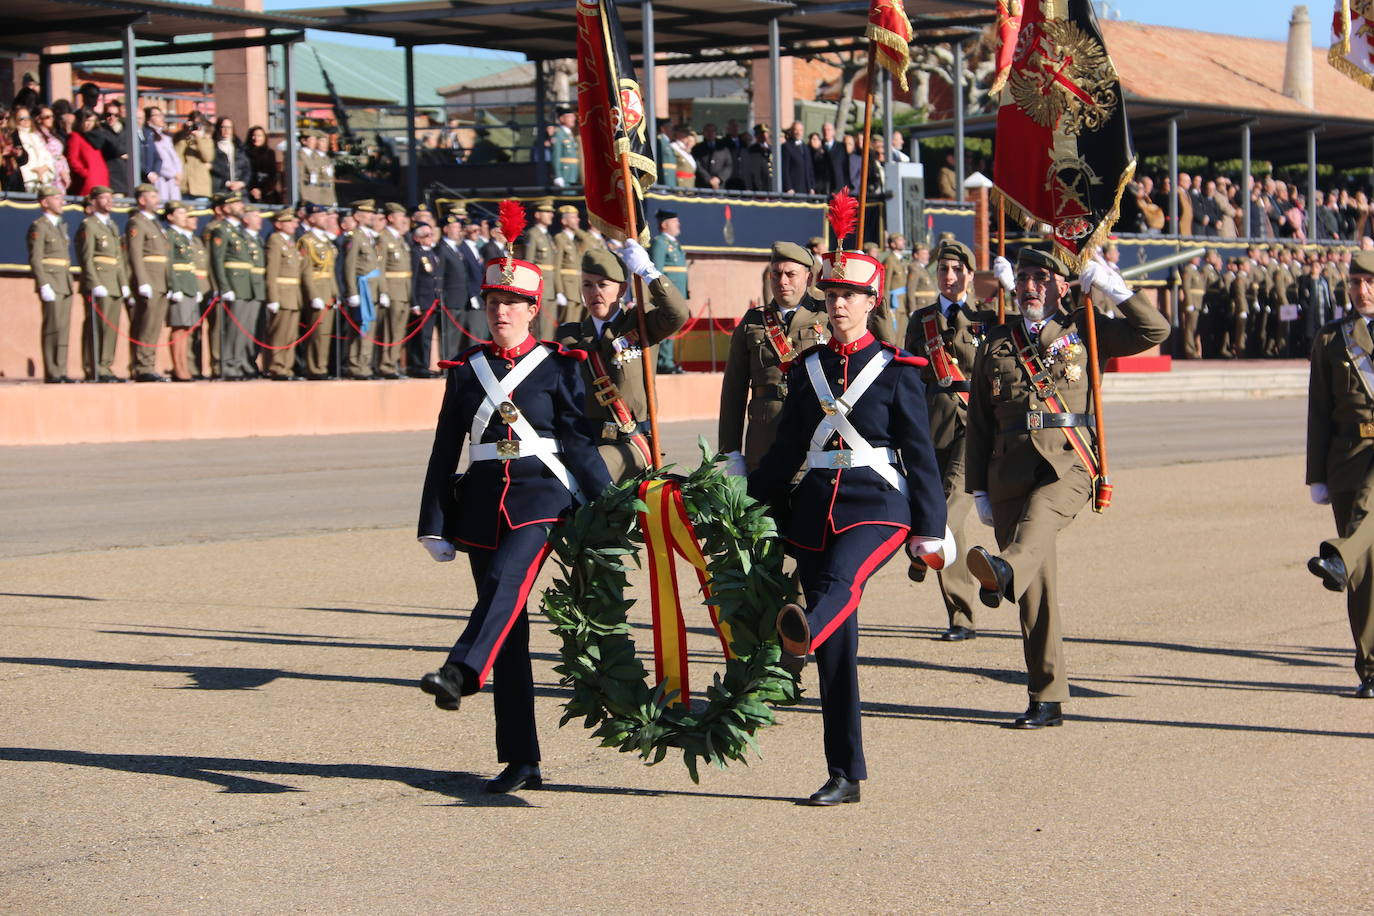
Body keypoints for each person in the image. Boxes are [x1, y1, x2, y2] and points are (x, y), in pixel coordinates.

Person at [746, 238, 946, 806]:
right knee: (838, 647)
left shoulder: (898, 370)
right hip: (815, 507)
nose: (839, 303)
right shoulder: (807, 367)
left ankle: (800, 629)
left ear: (871, 300)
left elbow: (920, 455)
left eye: (851, 295)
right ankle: (844, 771)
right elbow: (784, 455)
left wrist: (930, 528)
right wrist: (738, 494)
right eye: (833, 293)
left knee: (840, 585)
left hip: (878, 507)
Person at [415, 233, 611, 794]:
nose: (500, 312)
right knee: (509, 628)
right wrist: (433, 519)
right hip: (479, 502)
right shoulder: (466, 368)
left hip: (541, 498)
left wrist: (610, 502)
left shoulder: (560, 365)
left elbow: (577, 443)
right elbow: (444, 447)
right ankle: (521, 759)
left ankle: (459, 671)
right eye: (493, 302)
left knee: (506, 582)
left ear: (533, 310)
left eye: (512, 304)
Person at [964, 247, 1169, 728]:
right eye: (1025, 277)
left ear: (1062, 285)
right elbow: (978, 421)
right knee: (1036, 590)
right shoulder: (995, 342)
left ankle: (1002, 571)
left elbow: (1154, 330)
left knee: (1033, 530)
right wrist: (977, 489)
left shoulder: (1085, 329)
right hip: (1007, 468)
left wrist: (1113, 287)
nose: (1031, 285)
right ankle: (1046, 696)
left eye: (1041, 277)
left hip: (1067, 463)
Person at [905, 239, 1004, 641]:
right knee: (947, 524)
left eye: (956, 270)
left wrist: (1005, 287)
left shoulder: (987, 316)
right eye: (942, 270)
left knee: (946, 514)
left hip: (974, 425)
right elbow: (909, 372)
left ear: (968, 273)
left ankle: (923, 553)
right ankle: (970, 602)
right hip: (931, 424)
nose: (948, 277)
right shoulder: (921, 319)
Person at [555, 240, 689, 481]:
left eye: (603, 285)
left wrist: (648, 271)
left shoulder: (641, 323)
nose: (594, 292)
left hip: (634, 441)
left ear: (622, 289)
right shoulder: (570, 336)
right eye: (587, 285)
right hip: (588, 437)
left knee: (592, 467)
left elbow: (677, 314)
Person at [1306, 249, 1374, 700]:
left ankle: (1337, 554)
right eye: (1355, 283)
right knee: (1364, 573)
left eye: (1369, 283)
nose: (1361, 291)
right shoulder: (1333, 339)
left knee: (1364, 517)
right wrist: (1316, 475)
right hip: (1349, 453)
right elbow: (1318, 409)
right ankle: (1370, 667)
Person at [718, 241, 828, 472]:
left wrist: (863, 282)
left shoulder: (828, 316)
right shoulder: (753, 321)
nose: (783, 281)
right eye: (776, 274)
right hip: (765, 438)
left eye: (791, 274)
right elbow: (733, 392)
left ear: (809, 278)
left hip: (816, 438)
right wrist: (730, 452)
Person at [76, 185, 129, 381]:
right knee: (97, 326)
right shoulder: (89, 225)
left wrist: (123, 283)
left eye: (110, 197)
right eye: (104, 198)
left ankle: (106, 366)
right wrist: (94, 282)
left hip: (114, 282)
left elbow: (118, 258)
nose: (109, 201)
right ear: (94, 201)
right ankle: (94, 368)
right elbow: (86, 257)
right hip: (100, 281)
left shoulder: (111, 225)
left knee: (111, 328)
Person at [124, 183, 172, 382]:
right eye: (152, 196)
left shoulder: (155, 223)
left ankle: (148, 364)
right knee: (145, 324)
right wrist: (142, 281)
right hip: (149, 280)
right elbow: (135, 255)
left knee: (154, 326)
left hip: (160, 280)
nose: (157, 199)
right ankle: (142, 366)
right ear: (142, 200)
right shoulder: (137, 222)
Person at [27, 185, 74, 383]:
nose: (61, 201)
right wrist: (43, 283)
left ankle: (62, 369)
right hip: (51, 280)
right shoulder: (39, 226)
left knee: (63, 327)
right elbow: (36, 258)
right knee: (52, 327)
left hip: (64, 280)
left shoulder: (61, 226)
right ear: (45, 202)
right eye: (56, 198)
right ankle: (52, 371)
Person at [209, 193, 258, 379]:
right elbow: (217, 260)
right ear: (226, 208)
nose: (240, 206)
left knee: (242, 329)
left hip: (245, 285)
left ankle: (237, 364)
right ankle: (227, 365)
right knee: (231, 330)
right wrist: (224, 286)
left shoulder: (240, 231)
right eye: (235, 203)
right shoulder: (221, 230)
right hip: (233, 284)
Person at [298, 203, 340, 380]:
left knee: (325, 334)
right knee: (317, 332)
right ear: (312, 218)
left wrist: (335, 293)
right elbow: (306, 271)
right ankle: (314, 368)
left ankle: (321, 366)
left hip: (328, 290)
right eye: (322, 216)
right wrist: (313, 295)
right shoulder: (307, 241)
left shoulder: (325, 241)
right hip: (317, 289)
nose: (326, 219)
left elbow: (330, 271)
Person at [163, 199, 204, 382]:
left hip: (188, 284)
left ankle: (184, 366)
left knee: (186, 328)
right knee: (178, 329)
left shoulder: (183, 237)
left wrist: (194, 288)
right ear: (170, 216)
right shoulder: (170, 235)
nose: (184, 216)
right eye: (180, 213)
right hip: (179, 284)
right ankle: (178, 367)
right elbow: (169, 263)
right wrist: (174, 286)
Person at [343, 199, 383, 379]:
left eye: (371, 213)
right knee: (361, 328)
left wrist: (383, 291)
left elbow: (378, 267)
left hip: (373, 289)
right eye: (366, 213)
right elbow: (349, 266)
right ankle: (357, 366)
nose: (371, 216)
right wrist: (352, 292)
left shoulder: (371, 237)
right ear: (357, 216)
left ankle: (365, 364)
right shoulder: (356, 236)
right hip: (362, 289)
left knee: (369, 328)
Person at [437, 207, 486, 353]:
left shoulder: (455, 248)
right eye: (455, 227)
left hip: (461, 297)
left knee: (456, 337)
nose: (459, 230)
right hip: (450, 297)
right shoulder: (442, 248)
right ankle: (447, 364)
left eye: (459, 227)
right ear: (446, 229)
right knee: (449, 335)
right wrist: (440, 296)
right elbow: (440, 275)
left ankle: (452, 362)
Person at [263, 207, 304, 380]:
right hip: (281, 293)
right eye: (289, 221)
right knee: (279, 333)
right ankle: (277, 366)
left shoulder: (290, 242)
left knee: (290, 335)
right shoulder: (275, 241)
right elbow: (272, 272)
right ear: (279, 224)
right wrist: (273, 298)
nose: (294, 225)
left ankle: (287, 367)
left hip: (293, 294)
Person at [375, 202, 414, 379]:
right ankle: (385, 364)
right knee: (389, 330)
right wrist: (383, 291)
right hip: (392, 290)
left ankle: (392, 362)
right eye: (400, 216)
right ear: (390, 218)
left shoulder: (400, 239)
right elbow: (380, 268)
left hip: (404, 290)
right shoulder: (383, 238)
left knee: (398, 330)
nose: (404, 220)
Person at [649, 209, 687, 374]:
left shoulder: (674, 244)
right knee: (667, 326)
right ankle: (664, 362)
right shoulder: (660, 243)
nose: (678, 224)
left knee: (674, 327)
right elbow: (656, 270)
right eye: (674, 221)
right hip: (666, 295)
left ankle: (668, 360)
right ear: (664, 224)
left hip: (676, 294)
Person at [406, 220, 442, 378]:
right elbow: (413, 279)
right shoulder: (416, 253)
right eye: (427, 235)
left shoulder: (431, 253)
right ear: (418, 238)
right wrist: (414, 302)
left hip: (432, 300)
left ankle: (424, 364)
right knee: (421, 337)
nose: (430, 237)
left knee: (426, 336)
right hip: (422, 300)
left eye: (431, 234)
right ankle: (419, 365)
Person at [521, 198, 559, 339]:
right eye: (547, 212)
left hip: (551, 288)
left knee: (549, 327)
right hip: (541, 288)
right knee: (541, 328)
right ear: (537, 215)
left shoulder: (547, 236)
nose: (551, 215)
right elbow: (529, 263)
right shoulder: (533, 234)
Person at [553, 204, 591, 324]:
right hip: (567, 287)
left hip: (577, 287)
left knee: (576, 323)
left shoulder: (575, 240)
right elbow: (557, 267)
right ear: (564, 221)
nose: (578, 220)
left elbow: (589, 243)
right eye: (573, 217)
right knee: (567, 321)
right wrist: (559, 291)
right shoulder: (560, 238)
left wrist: (577, 230)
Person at [65, 109, 107, 196]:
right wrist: (85, 174)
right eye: (86, 120)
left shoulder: (96, 137)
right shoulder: (75, 136)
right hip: (88, 182)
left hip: (101, 178)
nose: (89, 124)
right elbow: (73, 159)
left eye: (92, 121)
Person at [145, 107, 182, 202]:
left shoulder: (166, 137)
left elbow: (175, 158)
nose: (161, 118)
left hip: (174, 180)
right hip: (161, 179)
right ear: (148, 119)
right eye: (156, 115)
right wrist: (173, 174)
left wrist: (179, 173)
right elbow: (161, 159)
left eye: (161, 115)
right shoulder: (149, 136)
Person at [175, 113, 213, 199]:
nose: (196, 126)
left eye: (198, 124)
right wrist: (185, 135)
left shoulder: (206, 139)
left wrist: (198, 138)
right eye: (193, 123)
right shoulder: (180, 138)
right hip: (183, 187)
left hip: (200, 187)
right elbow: (176, 156)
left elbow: (208, 157)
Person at [33, 107, 69, 195]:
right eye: (47, 117)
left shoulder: (52, 134)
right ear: (38, 119)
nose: (51, 119)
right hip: (48, 172)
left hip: (59, 172)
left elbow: (59, 156)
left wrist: (64, 171)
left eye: (52, 116)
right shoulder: (36, 136)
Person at [210, 116, 250, 196]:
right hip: (220, 190)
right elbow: (212, 171)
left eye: (229, 127)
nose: (226, 130)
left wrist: (242, 182)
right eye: (223, 127)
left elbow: (247, 169)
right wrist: (227, 183)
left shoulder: (239, 147)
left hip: (240, 191)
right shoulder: (212, 147)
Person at [693, 123, 733, 190]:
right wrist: (708, 179)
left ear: (716, 133)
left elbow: (728, 166)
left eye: (712, 131)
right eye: (707, 131)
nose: (710, 133)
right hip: (703, 186)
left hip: (720, 186)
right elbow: (698, 165)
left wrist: (719, 178)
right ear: (703, 133)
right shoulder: (697, 148)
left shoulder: (723, 147)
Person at [245, 125, 279, 203]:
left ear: (264, 137)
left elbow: (273, 175)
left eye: (259, 136)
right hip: (248, 192)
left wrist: (261, 190)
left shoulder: (270, 153)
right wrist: (251, 189)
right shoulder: (245, 153)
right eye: (254, 135)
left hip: (266, 194)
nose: (256, 138)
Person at [780, 120, 814, 194]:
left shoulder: (806, 147)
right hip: (793, 190)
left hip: (806, 189)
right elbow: (785, 169)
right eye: (796, 130)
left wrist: (811, 187)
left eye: (800, 130)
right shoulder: (786, 147)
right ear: (792, 131)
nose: (798, 132)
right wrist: (788, 187)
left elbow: (809, 168)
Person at [551, 105, 580, 187]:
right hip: (565, 174)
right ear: (562, 119)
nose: (573, 118)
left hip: (574, 174)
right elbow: (556, 156)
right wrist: (558, 175)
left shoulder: (570, 134)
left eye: (573, 116)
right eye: (570, 116)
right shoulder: (559, 134)